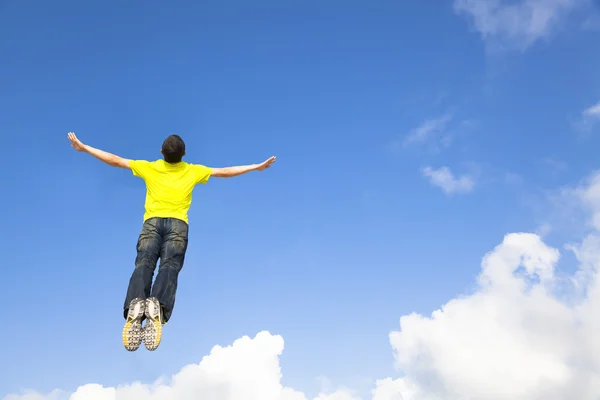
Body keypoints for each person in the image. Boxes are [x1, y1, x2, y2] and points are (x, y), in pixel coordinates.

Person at [67, 132, 276, 351]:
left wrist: (85, 147)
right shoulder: (192, 170)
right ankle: (157, 304)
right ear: (184, 154)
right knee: (170, 267)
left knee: (144, 263)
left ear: (161, 153)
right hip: (178, 226)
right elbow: (224, 172)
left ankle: (135, 304)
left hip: (151, 223)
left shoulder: (150, 167)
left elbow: (115, 160)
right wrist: (255, 166)